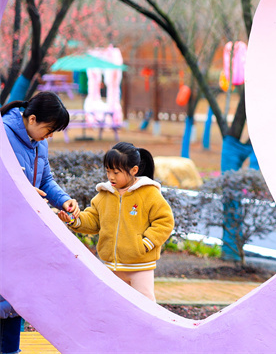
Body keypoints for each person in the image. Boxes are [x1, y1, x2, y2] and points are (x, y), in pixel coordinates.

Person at [1, 91, 77, 354]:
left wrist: (64, 200)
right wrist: (20, 191)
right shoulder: (3, 135)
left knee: (16, 299)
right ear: (32, 119)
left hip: (23, 232)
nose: (49, 136)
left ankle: (11, 350)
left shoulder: (38, 142)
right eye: (49, 129)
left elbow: (45, 180)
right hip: (4, 229)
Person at [59, 142, 174, 302]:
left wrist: (145, 244)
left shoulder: (149, 193)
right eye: (108, 171)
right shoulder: (104, 195)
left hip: (140, 267)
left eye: (116, 172)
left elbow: (165, 221)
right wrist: (74, 219)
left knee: (144, 306)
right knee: (112, 306)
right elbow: (92, 220)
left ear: (134, 170)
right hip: (110, 267)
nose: (111, 176)